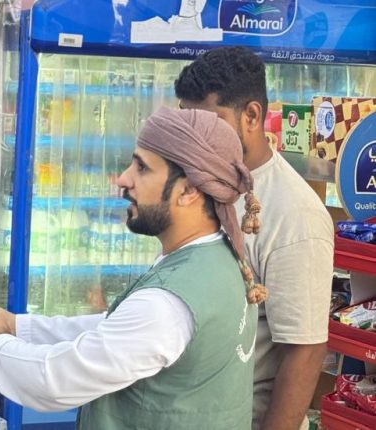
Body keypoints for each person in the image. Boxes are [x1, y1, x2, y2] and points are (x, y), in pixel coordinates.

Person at [0, 106, 267, 429]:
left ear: (189, 190)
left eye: (142, 168)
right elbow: (114, 330)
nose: (124, 179)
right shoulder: (218, 258)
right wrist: (16, 326)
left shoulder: (167, 304)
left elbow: (57, 379)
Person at [175, 46, 333, 430]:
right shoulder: (197, 183)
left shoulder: (295, 214)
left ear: (251, 116)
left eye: (209, 123)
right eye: (187, 123)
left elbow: (305, 350)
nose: (195, 138)